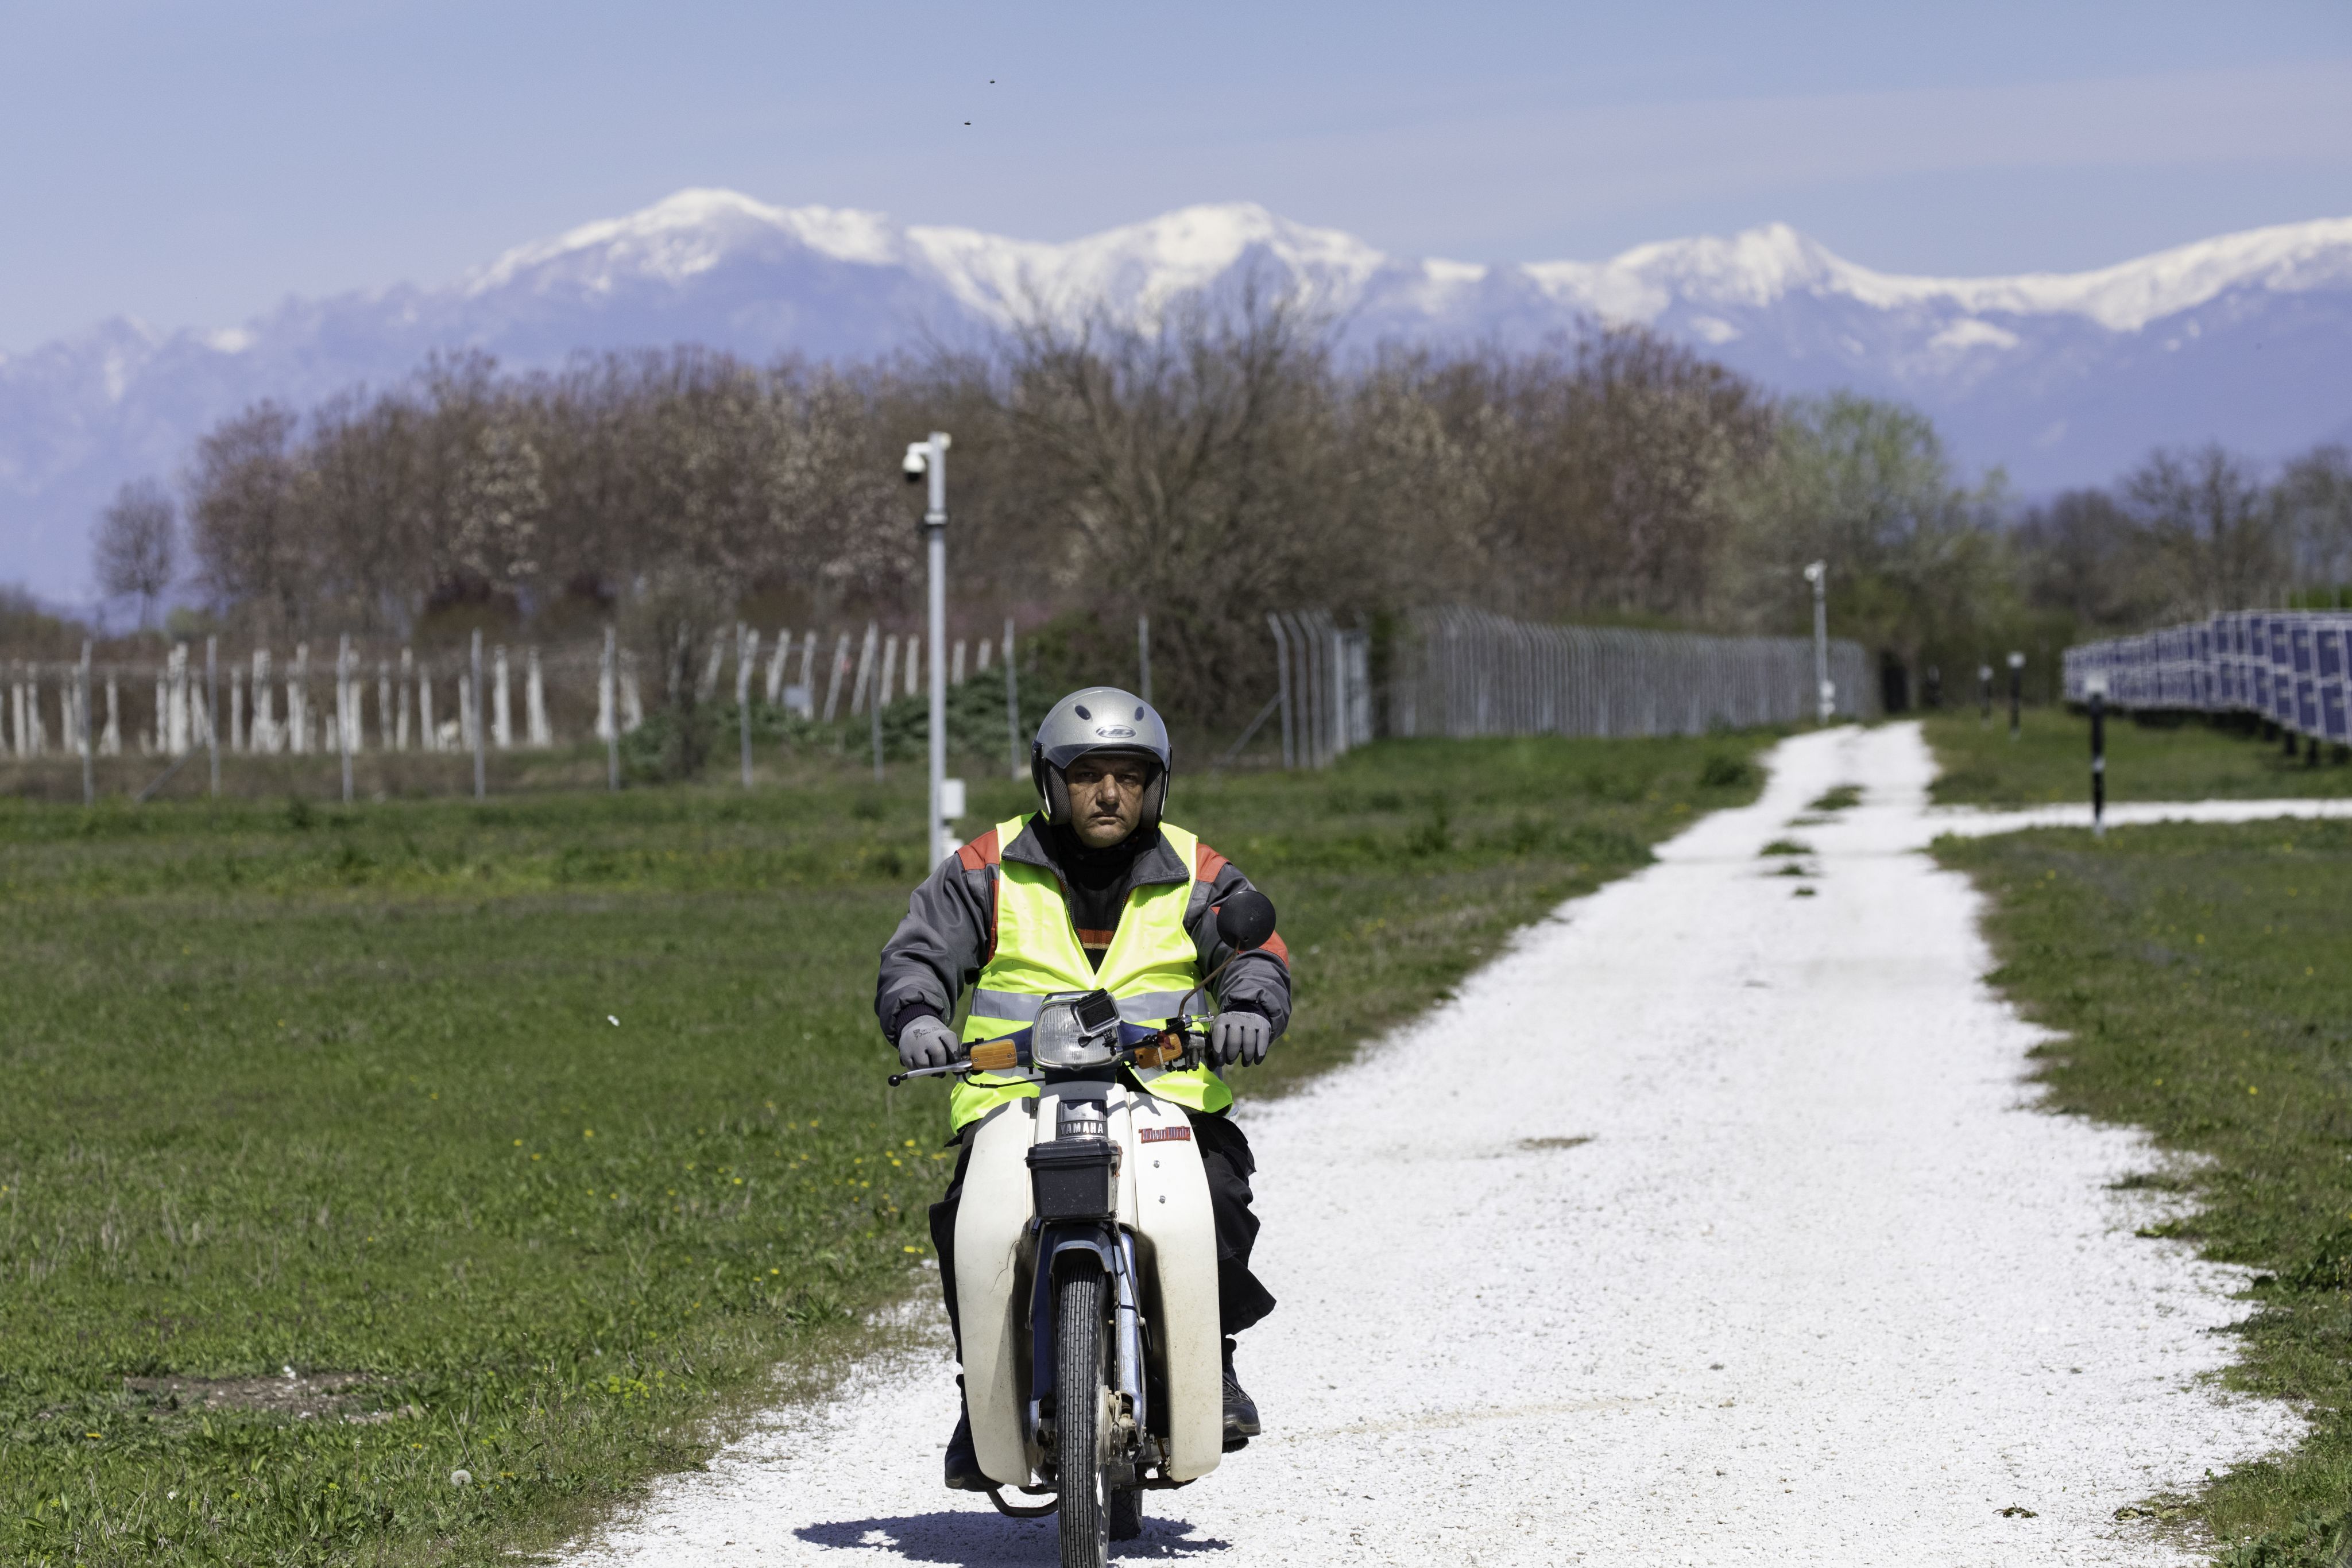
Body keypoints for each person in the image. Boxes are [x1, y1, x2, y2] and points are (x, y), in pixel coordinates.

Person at [874, 686, 1291, 1492]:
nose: (1109, 793)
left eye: (1130, 776)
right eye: (1088, 773)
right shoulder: (984, 867)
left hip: (1162, 1094)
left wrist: (1249, 1005)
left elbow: (1256, 949)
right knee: (969, 1223)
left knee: (1219, 1197)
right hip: (1015, 1096)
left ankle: (1216, 1360)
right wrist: (919, 1016)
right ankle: (983, 1398)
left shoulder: (1199, 870)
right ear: (1050, 780)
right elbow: (918, 955)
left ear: (1156, 784)